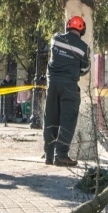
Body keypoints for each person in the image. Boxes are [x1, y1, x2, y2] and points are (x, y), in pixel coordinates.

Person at [43, 15, 90, 167]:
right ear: (82, 30)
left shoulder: (56, 39)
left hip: (52, 85)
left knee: (50, 118)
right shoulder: (83, 48)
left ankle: (49, 155)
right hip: (69, 86)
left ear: (68, 26)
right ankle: (61, 155)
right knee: (67, 120)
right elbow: (84, 69)